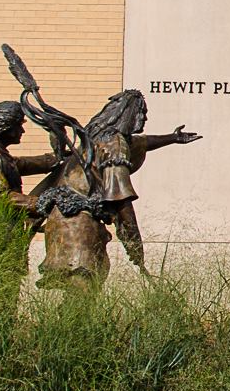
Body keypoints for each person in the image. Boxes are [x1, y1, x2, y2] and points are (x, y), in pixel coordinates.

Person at [82, 89, 199, 275]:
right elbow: (121, 200)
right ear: (130, 115)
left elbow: (141, 142)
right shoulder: (116, 146)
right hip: (82, 228)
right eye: (142, 113)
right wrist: (136, 248)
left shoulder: (97, 139)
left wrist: (173, 138)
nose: (145, 118)